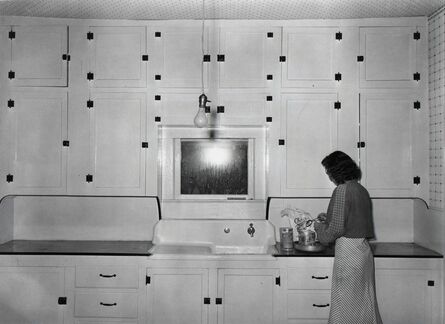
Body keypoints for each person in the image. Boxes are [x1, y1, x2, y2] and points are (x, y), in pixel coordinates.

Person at [314, 151, 383, 324]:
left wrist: (318, 227)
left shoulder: (342, 190)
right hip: (363, 252)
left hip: (348, 254)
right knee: (363, 305)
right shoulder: (361, 189)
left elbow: (335, 231)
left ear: (337, 171)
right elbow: (352, 218)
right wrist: (328, 218)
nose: (329, 177)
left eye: (329, 172)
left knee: (344, 305)